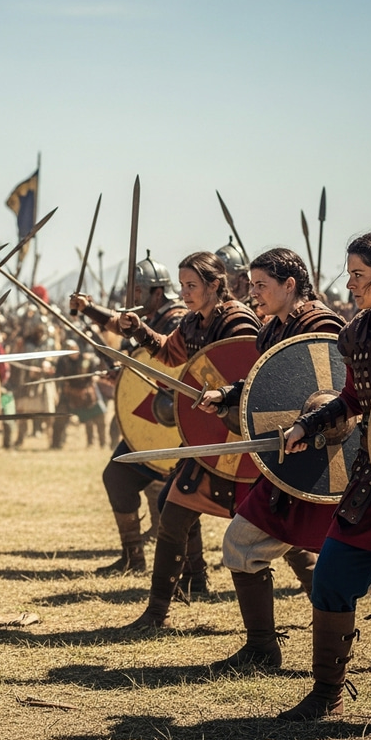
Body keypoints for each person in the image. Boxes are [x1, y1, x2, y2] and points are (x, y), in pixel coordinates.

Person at [198, 248, 371, 671]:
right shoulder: (272, 330)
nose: (252, 292)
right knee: (244, 545)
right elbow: (269, 379)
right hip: (293, 461)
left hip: (329, 464)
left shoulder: (323, 325)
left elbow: (341, 391)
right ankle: (261, 647)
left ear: (289, 285)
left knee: (363, 559)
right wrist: (229, 394)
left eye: (261, 285)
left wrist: (310, 423)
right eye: (252, 284)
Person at [277, 230, 371, 720]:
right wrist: (310, 423)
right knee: (332, 576)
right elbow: (353, 400)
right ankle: (327, 694)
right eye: (349, 274)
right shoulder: (356, 333)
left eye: (359, 274)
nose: (350, 284)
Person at [118, 251, 262, 628]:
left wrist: (224, 397)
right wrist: (137, 329)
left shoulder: (238, 321)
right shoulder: (194, 322)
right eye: (181, 285)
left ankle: (318, 600)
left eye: (192, 286)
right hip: (207, 437)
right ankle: (157, 613)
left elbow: (252, 378)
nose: (184, 293)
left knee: (279, 531)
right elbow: (169, 353)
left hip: (243, 442)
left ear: (215, 285)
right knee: (174, 512)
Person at [71, 253, 193, 576]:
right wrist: (87, 309)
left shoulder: (175, 321)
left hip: (178, 424)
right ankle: (133, 558)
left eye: (139, 292)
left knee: (179, 498)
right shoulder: (152, 319)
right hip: (153, 418)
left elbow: (176, 369)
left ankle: (194, 571)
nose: (135, 298)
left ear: (157, 292)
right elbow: (119, 326)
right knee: (117, 476)